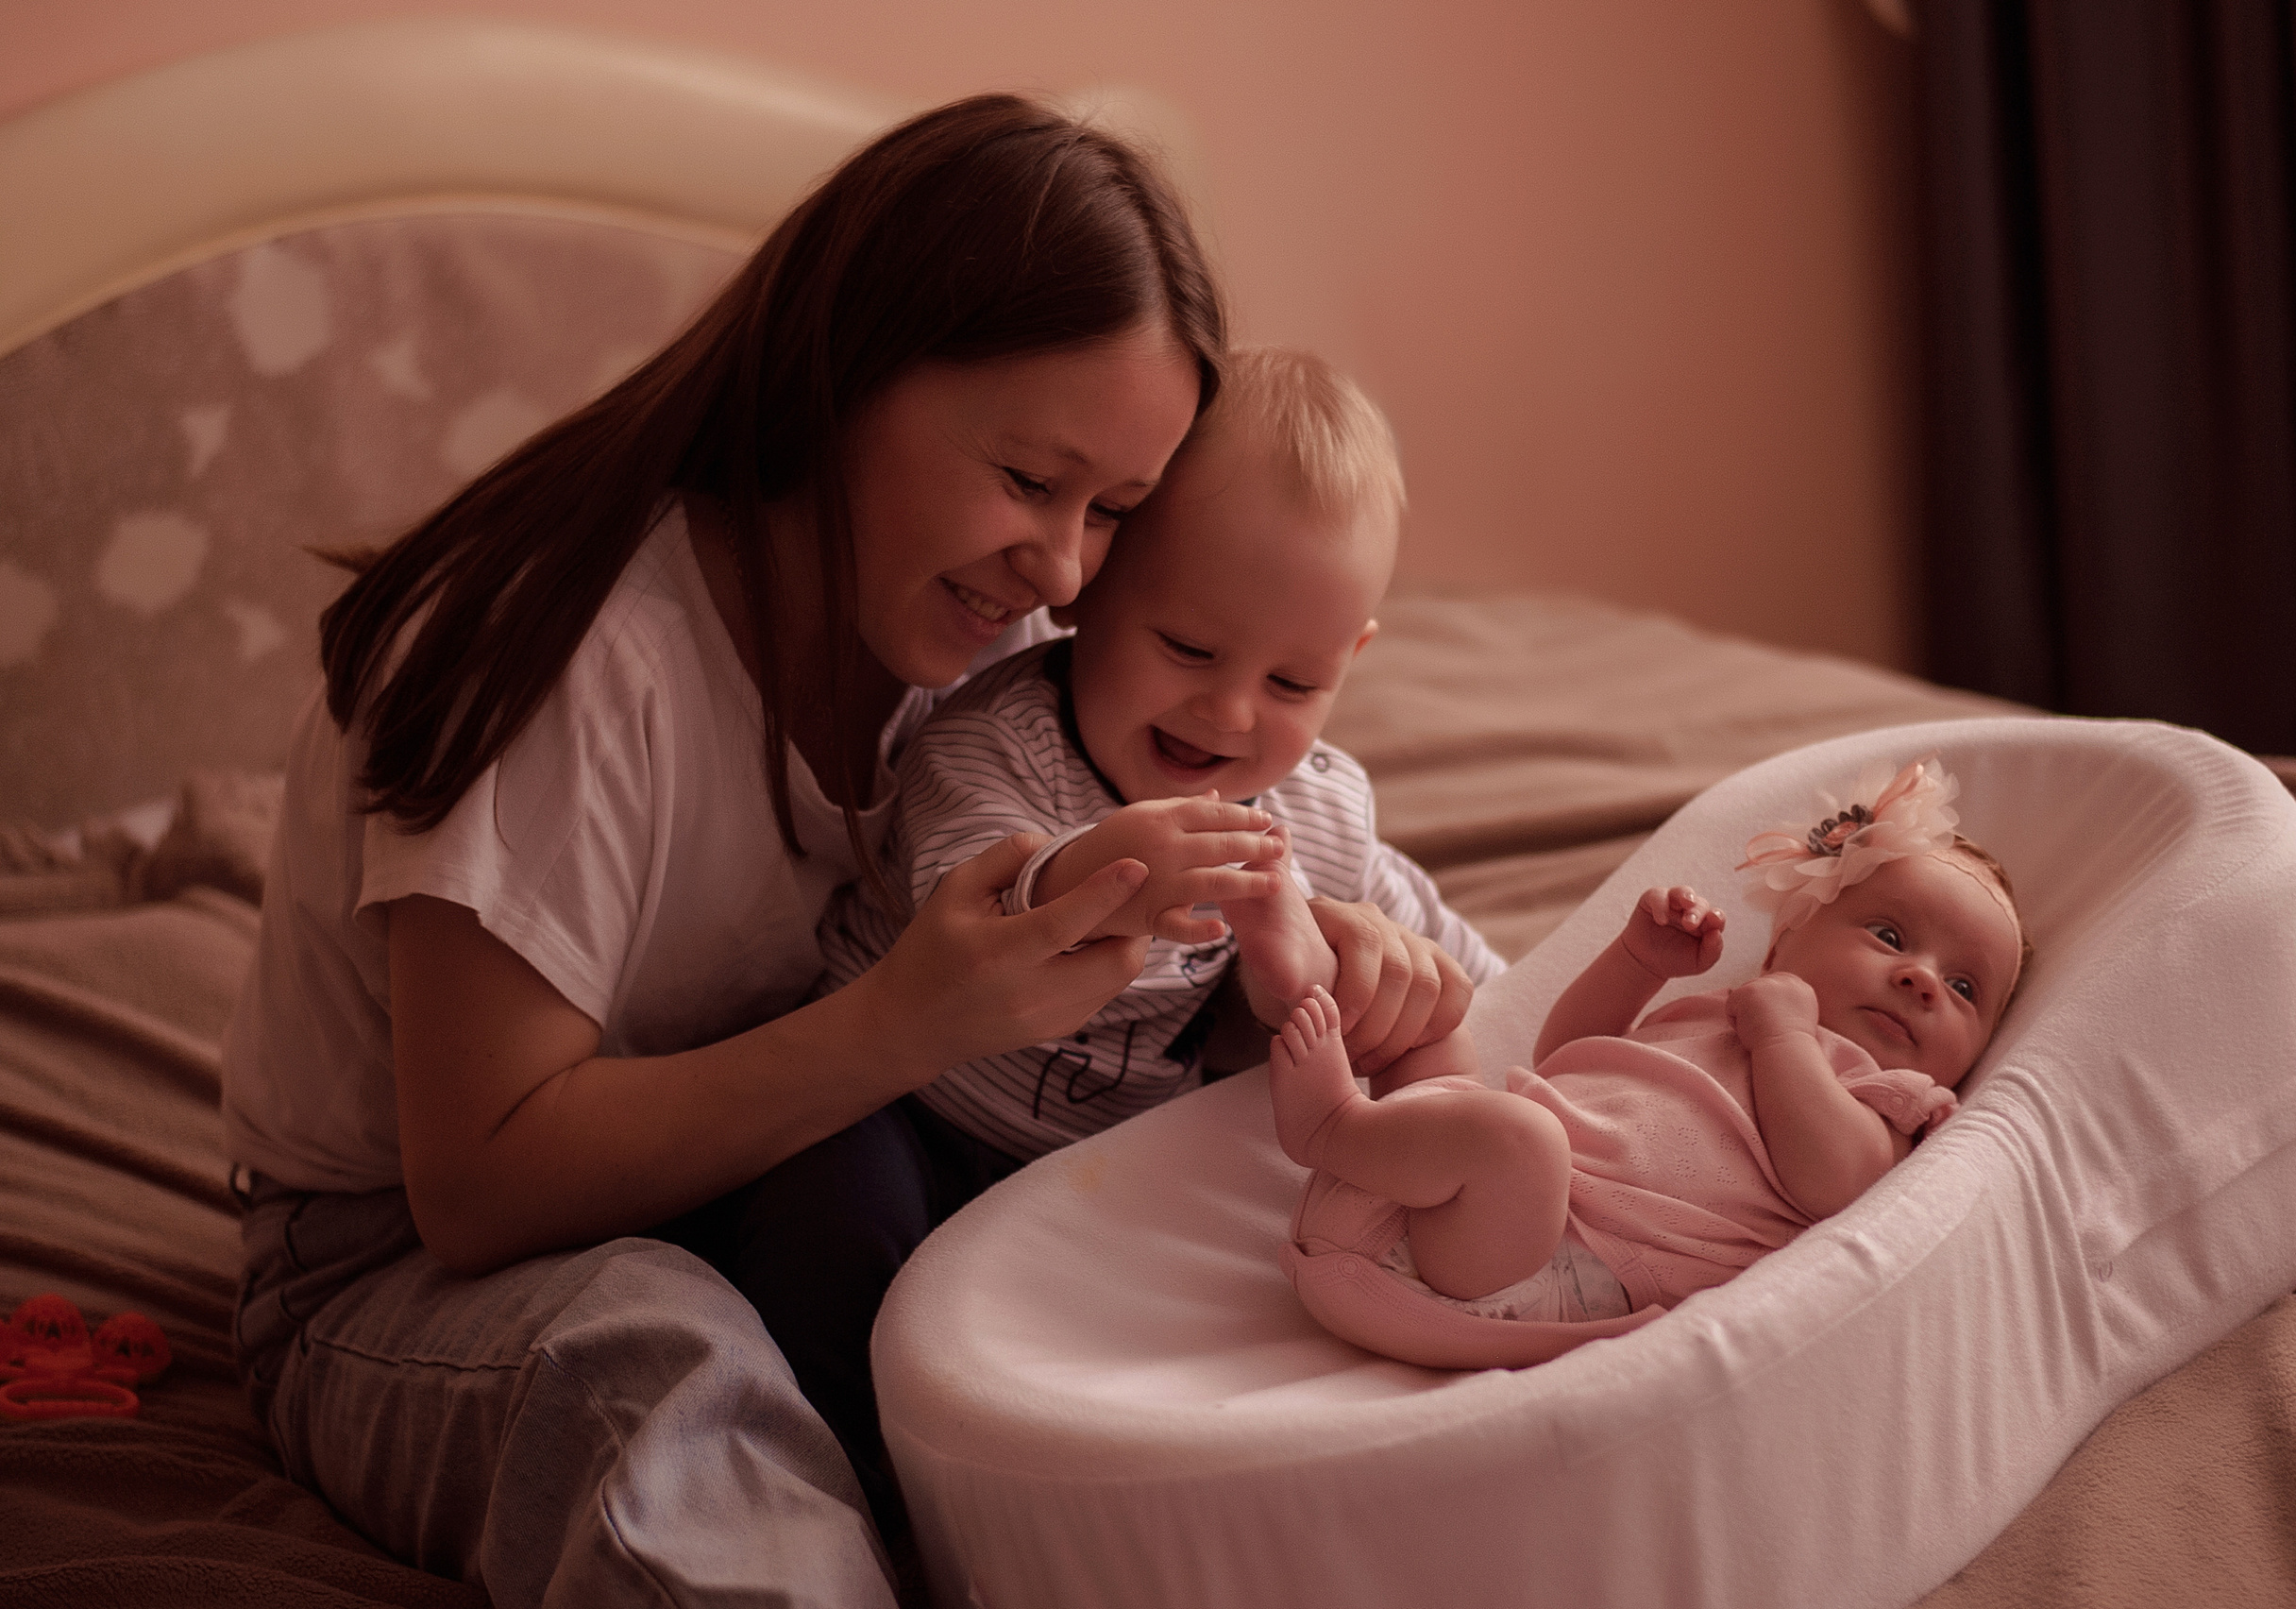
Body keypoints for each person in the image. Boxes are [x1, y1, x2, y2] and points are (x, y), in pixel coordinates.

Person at [216, 97, 1472, 1609]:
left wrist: (1348, 959)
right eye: (1028, 482)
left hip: (785, 1162)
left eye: (1115, 515)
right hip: (402, 1266)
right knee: (657, 1369)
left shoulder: (1001, 621)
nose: (1065, 571)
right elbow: (476, 1192)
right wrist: (908, 1023)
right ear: (843, 379)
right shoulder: (568, 653)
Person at [819, 347, 1504, 1168]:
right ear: (1087, 593)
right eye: (1188, 647)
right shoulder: (992, 743)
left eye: (1292, 682)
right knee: (836, 1225)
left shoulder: (1315, 809)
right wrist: (1108, 874)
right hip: (895, 1109)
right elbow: (970, 921)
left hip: (1089, 1167)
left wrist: (1438, 980)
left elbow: (1449, 957)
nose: (1230, 713)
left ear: (1348, 662)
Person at [1271, 758, 2029, 1343]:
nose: (1921, 980)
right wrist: (1639, 963)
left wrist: (1785, 1037)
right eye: (1891, 938)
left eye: (1964, 989)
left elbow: (1835, 1181)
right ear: (1786, 942)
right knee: (1444, 1022)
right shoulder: (1720, 1017)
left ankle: (1331, 1128)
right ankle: (1337, 1035)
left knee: (1520, 1137)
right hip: (1450, 1186)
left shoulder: (1886, 1100)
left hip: (1520, 1265)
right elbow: (1567, 1056)